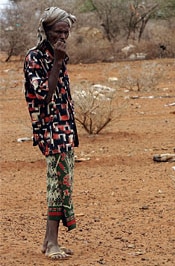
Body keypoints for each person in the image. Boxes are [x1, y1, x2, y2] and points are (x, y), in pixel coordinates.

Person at [23, 7, 78, 260]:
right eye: (58, 31)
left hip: (65, 129)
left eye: (66, 32)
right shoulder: (35, 58)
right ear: (45, 31)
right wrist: (57, 61)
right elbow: (44, 96)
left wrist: (59, 58)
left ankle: (49, 241)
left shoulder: (58, 55)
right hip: (50, 130)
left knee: (62, 183)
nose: (63, 36)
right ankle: (52, 243)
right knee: (56, 185)